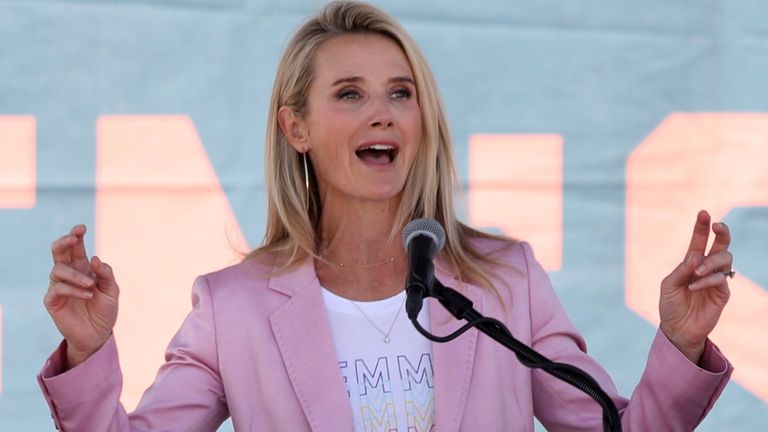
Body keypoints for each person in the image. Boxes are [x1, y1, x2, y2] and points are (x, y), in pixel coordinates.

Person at [38, 1, 734, 431]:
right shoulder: (234, 308)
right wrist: (87, 352)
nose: (382, 111)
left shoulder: (504, 280)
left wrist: (682, 344)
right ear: (296, 128)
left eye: (401, 93)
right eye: (349, 93)